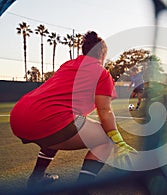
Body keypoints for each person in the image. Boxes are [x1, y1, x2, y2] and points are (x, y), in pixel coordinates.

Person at [10, 31, 136, 189]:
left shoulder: (68, 65)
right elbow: (105, 111)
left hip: (18, 116)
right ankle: (81, 189)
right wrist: (118, 140)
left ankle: (36, 178)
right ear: (102, 54)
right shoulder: (102, 73)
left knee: (54, 130)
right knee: (105, 140)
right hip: (49, 118)